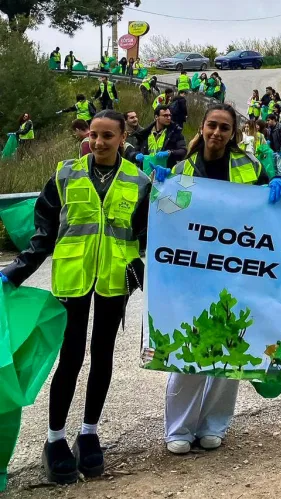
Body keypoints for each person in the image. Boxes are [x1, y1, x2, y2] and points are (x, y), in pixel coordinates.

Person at [0, 110, 150, 484]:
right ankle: (54, 440)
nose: (98, 142)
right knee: (70, 357)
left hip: (116, 279)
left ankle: (89, 433)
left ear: (123, 138)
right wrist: (14, 272)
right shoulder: (65, 174)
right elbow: (44, 234)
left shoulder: (140, 181)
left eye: (107, 136)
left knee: (103, 355)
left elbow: (152, 235)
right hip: (72, 278)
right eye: (94, 135)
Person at [159, 103, 281, 455]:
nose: (217, 132)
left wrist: (278, 184)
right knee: (190, 346)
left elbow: (272, 218)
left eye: (224, 128)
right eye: (212, 125)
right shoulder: (182, 169)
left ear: (233, 134)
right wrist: (158, 189)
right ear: (202, 127)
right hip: (194, 272)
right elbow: (169, 221)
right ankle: (179, 428)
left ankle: (214, 424)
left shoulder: (250, 167)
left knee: (230, 347)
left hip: (238, 272)